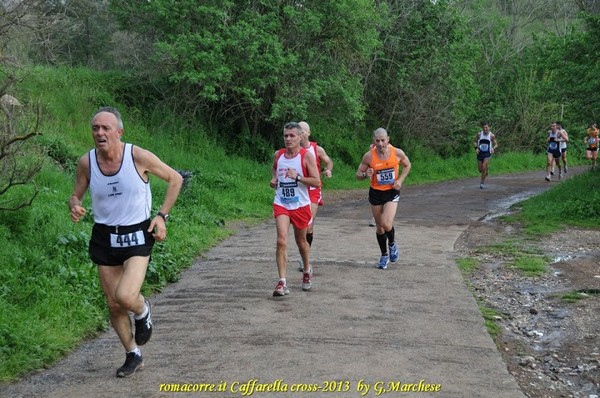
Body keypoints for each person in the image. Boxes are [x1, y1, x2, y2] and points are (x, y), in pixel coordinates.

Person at [69, 107, 183, 378]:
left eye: (106, 128)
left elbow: (175, 179)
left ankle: (143, 311)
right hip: (105, 236)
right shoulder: (87, 162)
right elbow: (76, 195)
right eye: (95, 128)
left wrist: (162, 216)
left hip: (136, 235)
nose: (99, 133)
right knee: (113, 303)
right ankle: (133, 353)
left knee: (125, 296)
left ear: (119, 132)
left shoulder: (137, 156)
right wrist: (74, 205)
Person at [270, 122, 321, 296]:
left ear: (300, 137)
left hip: (300, 204)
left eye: (292, 136)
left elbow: (316, 181)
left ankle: (307, 270)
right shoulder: (279, 155)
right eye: (286, 135)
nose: (288, 139)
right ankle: (282, 282)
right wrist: (274, 179)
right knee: (281, 240)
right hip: (282, 202)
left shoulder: (306, 156)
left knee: (301, 242)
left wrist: (298, 177)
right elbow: (275, 170)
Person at [356, 127, 411, 269]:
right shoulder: (369, 156)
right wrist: (365, 175)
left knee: (386, 224)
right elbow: (358, 174)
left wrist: (400, 180)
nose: (380, 144)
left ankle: (392, 244)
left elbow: (407, 165)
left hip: (391, 192)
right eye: (377, 141)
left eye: (382, 140)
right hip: (375, 193)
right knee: (380, 227)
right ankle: (384, 255)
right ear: (373, 141)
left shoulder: (397, 152)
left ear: (388, 140)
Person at [296, 121, 333, 271]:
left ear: (308, 133)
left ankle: (305, 258)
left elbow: (329, 161)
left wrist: (328, 170)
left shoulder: (317, 149)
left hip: (313, 190)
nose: (301, 134)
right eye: (299, 131)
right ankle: (304, 253)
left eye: (303, 131)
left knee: (308, 225)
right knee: (301, 226)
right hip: (298, 190)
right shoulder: (293, 150)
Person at [473, 122, 497, 189]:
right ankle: (486, 170)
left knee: (483, 167)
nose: (485, 129)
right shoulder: (479, 134)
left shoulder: (491, 135)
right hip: (480, 153)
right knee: (480, 170)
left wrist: (493, 148)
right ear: (482, 128)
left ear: (489, 127)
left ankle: (482, 183)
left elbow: (496, 144)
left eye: (486, 127)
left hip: (487, 153)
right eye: (483, 128)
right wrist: (476, 148)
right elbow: (474, 141)